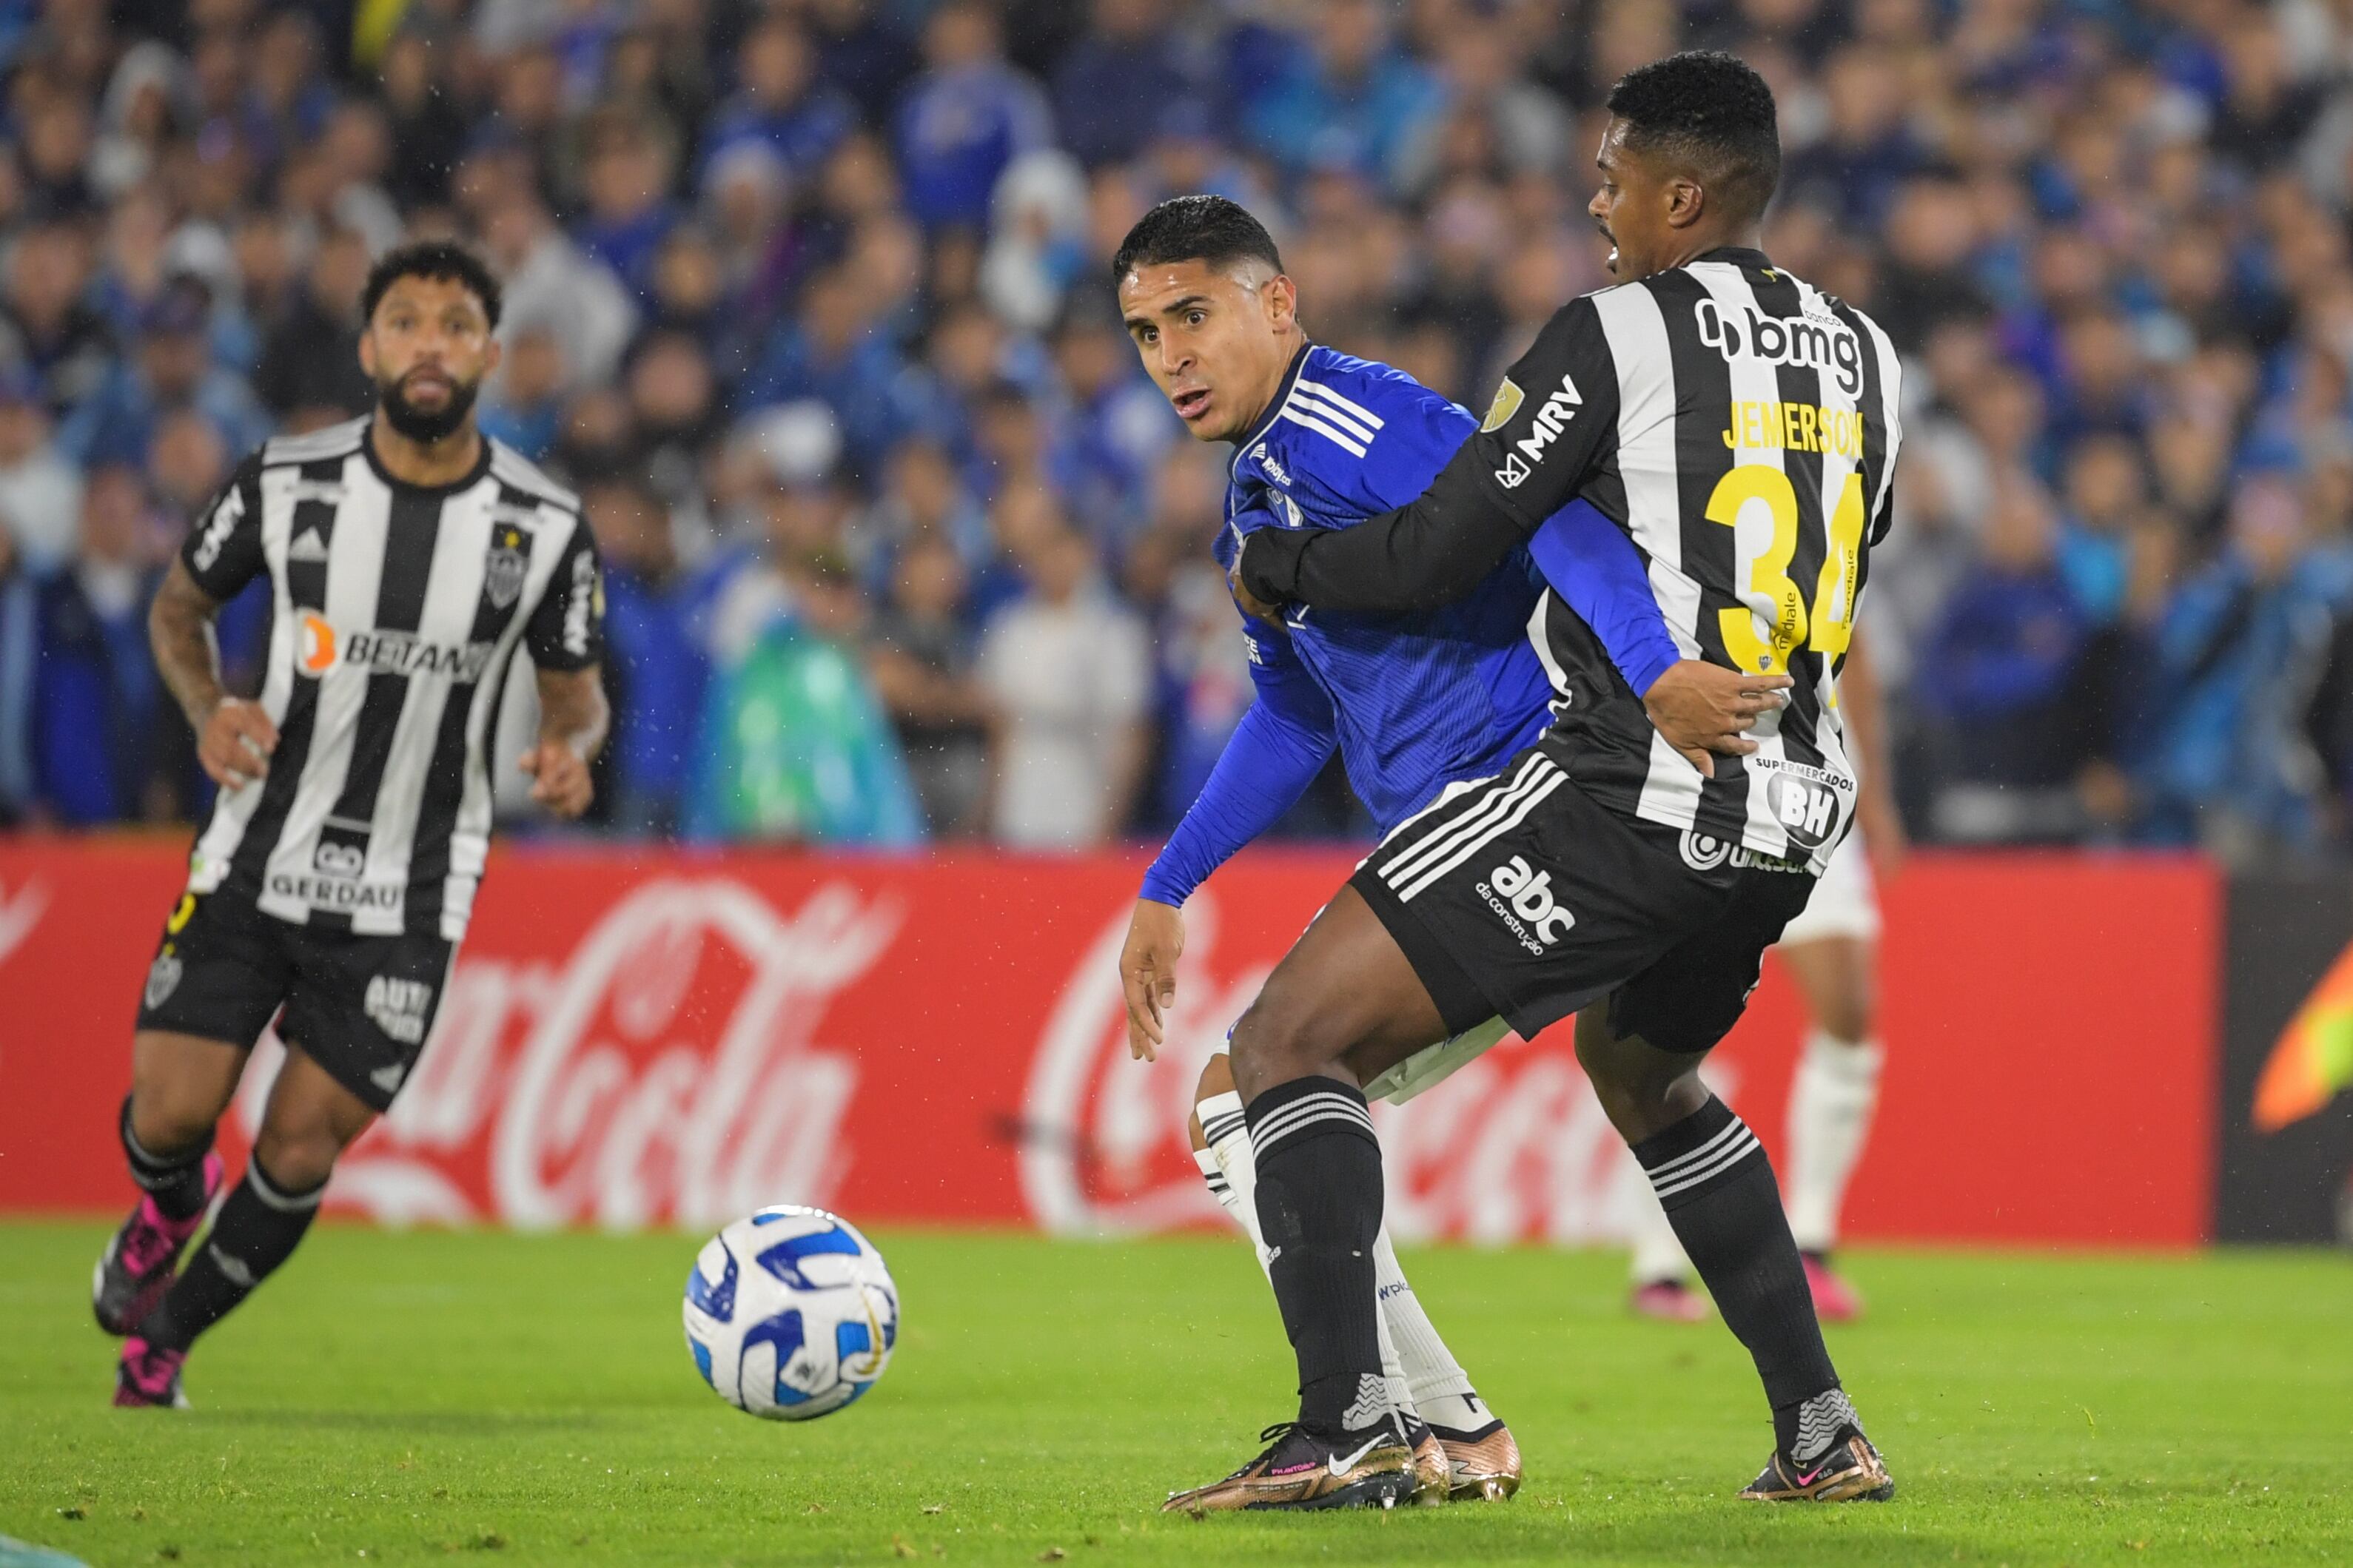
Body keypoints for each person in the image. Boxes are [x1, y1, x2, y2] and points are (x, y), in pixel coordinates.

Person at [1223, 52, 1904, 1507]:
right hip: (1793, 806)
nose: (1594, 204)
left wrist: (1279, 565)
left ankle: (1347, 1423)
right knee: (1640, 1067)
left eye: (1611, 178)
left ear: (1680, 195)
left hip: (1635, 781)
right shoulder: (1864, 355)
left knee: (1283, 1040)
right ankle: (1817, 1430)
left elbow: (1441, 544)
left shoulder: (1610, 334)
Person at [1110, 194, 1785, 1510]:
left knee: (1257, 1084)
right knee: (1632, 1080)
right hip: (1463, 826)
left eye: (1193, 314)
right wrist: (1167, 879)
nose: (1170, 355)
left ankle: (1412, 1422)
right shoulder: (1254, 492)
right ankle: (1769, 1424)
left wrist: (1651, 670)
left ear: (1277, 303)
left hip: (1533, 799)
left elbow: (1551, 516)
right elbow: (1296, 712)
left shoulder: (1355, 417)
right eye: (1144, 332)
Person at [95, 241, 609, 1408]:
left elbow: (575, 693)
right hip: (255, 854)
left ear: (488, 353)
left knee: (298, 1145)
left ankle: (165, 1337)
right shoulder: (285, 481)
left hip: (410, 890)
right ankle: (169, 1203)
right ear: (370, 347)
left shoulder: (542, 524)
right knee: (170, 1114)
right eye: (406, 320)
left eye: (455, 324)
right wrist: (208, 708)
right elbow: (178, 609)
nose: (430, 342)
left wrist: (568, 750)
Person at [1625, 630, 1904, 1325]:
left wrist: (1875, 793)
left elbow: (1855, 654)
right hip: (1700, 780)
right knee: (1663, 1028)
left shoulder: (1838, 560)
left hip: (1811, 781)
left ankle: (1811, 1240)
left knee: (1847, 1009)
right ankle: (1660, 1259)